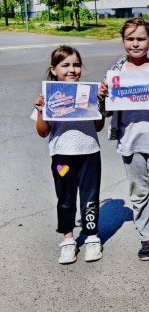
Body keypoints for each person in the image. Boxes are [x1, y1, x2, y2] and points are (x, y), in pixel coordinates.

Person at [98, 18, 149, 261]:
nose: (135, 43)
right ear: (123, 41)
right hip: (129, 141)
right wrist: (102, 96)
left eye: (141, 39)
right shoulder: (116, 71)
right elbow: (106, 111)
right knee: (139, 192)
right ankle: (146, 236)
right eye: (130, 39)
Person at [33, 46, 105, 264]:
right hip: (62, 156)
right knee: (65, 198)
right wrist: (41, 110)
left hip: (90, 152)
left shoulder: (88, 93)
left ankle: (91, 237)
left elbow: (99, 126)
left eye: (76, 65)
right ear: (54, 69)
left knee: (90, 197)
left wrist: (98, 103)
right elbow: (43, 132)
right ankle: (68, 240)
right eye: (65, 65)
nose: (72, 70)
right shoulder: (49, 96)